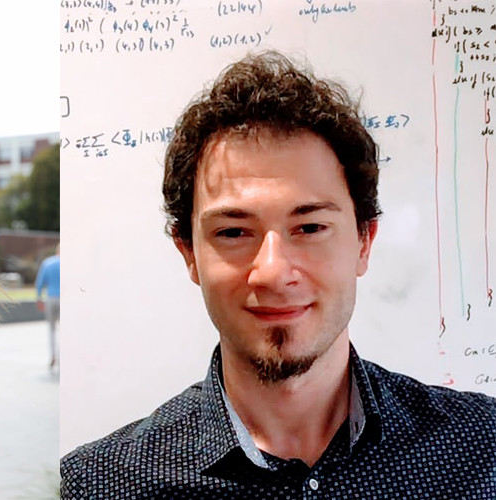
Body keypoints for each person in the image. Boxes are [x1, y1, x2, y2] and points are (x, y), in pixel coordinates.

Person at [60, 51, 496, 498]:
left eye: (309, 227)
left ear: (364, 241)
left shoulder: (483, 448)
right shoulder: (100, 483)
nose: (272, 271)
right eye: (233, 232)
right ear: (188, 253)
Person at [35, 243, 60, 369]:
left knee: (52, 329)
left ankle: (53, 355)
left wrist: (39, 298)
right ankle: (62, 356)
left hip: (50, 298)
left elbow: (40, 282)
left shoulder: (48, 263)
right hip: (65, 299)